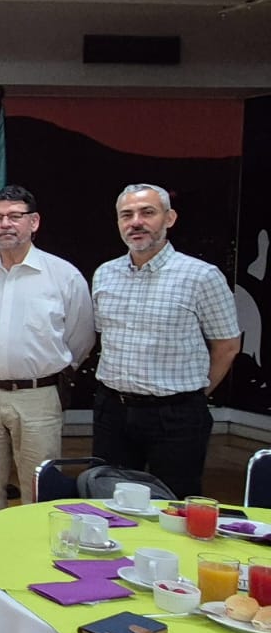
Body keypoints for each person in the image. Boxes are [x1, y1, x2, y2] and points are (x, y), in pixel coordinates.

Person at [91, 183, 239, 498]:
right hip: (113, 412)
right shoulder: (105, 274)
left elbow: (227, 346)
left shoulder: (201, 276)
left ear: (169, 218)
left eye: (147, 213)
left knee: (175, 504)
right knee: (108, 501)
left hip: (176, 417)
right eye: (126, 215)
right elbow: (104, 334)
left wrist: (192, 395)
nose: (136, 222)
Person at [0, 185, 95, 518]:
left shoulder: (63, 275)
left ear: (34, 222)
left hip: (39, 396)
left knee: (39, 489)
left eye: (14, 216)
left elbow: (81, 338)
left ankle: (35, 565)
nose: (5, 224)